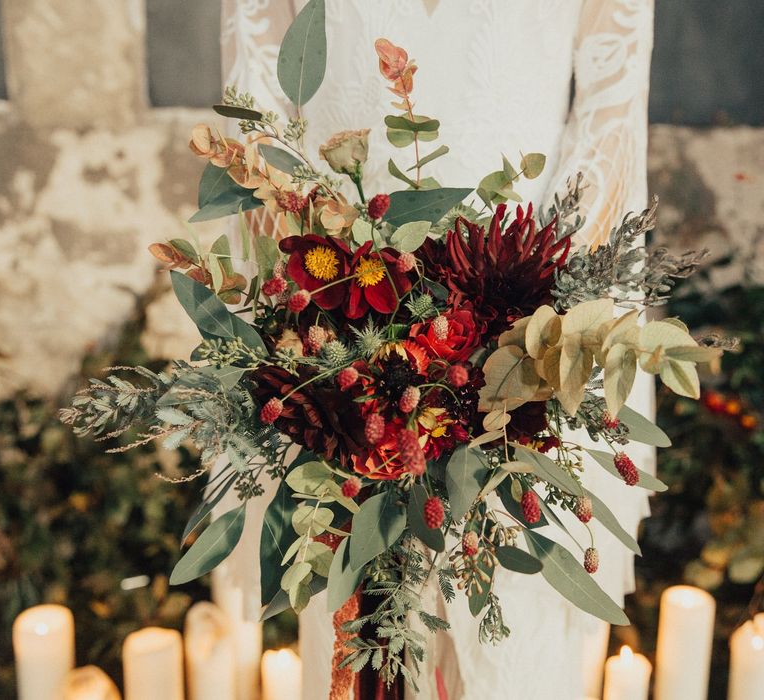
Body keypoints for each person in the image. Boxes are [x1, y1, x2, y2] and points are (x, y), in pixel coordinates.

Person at [216, 1, 656, 697]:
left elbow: (609, 121)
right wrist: (329, 356)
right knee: (354, 624)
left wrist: (527, 347)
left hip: (527, 351)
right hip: (336, 348)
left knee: (516, 645)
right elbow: (258, 120)